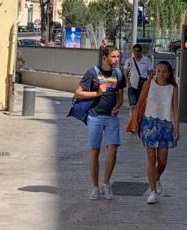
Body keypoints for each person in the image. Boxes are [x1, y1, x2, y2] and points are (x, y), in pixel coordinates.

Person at [74, 45, 125, 200]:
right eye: (113, 57)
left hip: (111, 118)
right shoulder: (92, 72)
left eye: (118, 56)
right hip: (95, 116)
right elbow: (78, 93)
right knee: (95, 151)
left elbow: (121, 96)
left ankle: (106, 183)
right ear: (105, 57)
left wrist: (118, 106)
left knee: (113, 148)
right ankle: (95, 187)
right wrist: (97, 93)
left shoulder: (118, 73)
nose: (116, 60)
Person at [134, 61, 180, 205]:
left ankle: (156, 178)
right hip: (149, 123)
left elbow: (175, 109)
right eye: (159, 70)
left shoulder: (173, 88)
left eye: (164, 71)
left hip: (166, 125)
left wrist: (176, 128)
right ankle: (152, 191)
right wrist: (135, 122)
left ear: (169, 73)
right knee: (151, 159)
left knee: (162, 162)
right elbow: (139, 103)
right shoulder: (149, 85)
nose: (161, 74)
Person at [124, 43, 153, 131]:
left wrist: (149, 81)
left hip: (143, 86)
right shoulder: (129, 61)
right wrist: (128, 83)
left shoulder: (146, 60)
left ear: (141, 52)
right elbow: (125, 73)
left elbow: (151, 71)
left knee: (141, 105)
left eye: (138, 51)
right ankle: (132, 124)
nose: (136, 53)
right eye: (135, 51)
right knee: (132, 106)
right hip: (132, 86)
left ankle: (140, 123)